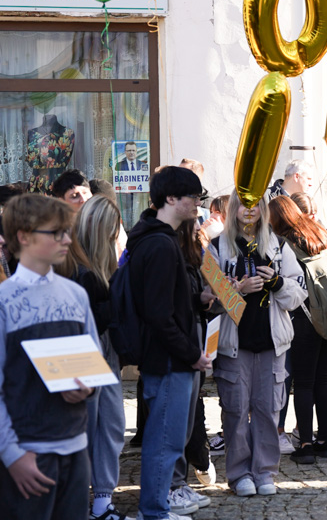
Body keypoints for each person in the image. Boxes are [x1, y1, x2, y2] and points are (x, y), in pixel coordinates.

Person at [0, 194, 96, 520]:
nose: (67, 240)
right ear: (24, 237)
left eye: (67, 231)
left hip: (75, 445)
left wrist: (87, 387)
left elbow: (91, 362)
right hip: (28, 453)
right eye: (56, 233)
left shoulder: (76, 294)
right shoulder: (4, 302)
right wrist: (12, 454)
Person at [127, 166, 212, 520]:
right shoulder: (160, 243)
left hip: (168, 358)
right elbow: (159, 315)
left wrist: (196, 298)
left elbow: (165, 303)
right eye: (193, 196)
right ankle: (155, 511)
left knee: (169, 438)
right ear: (172, 198)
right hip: (168, 360)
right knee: (165, 441)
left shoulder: (156, 237)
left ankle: (158, 507)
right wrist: (192, 355)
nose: (198, 204)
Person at [209, 191, 306, 496]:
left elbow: (298, 292)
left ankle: (264, 471)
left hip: (271, 342)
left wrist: (276, 283)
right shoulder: (217, 248)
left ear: (264, 209)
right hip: (233, 343)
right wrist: (238, 290)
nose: (249, 211)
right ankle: (239, 474)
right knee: (236, 410)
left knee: (267, 411)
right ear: (233, 208)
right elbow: (208, 299)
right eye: (243, 205)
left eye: (255, 205)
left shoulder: (277, 245)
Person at [56, 196, 128, 520]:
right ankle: (82, 502)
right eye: (114, 232)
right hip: (84, 350)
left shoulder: (100, 265)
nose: (117, 237)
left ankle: (101, 500)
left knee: (111, 423)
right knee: (88, 427)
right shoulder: (78, 266)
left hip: (104, 349)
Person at [270, 196, 327, 464]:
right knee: (323, 379)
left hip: (306, 318)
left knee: (303, 383)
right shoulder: (319, 233)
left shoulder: (285, 243)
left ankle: (306, 445)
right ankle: (326, 441)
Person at [168, 220, 218, 511]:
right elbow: (167, 308)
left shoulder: (197, 253)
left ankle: (179, 482)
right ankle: (170, 487)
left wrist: (209, 297)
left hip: (195, 340)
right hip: (179, 348)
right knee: (173, 424)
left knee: (187, 421)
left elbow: (212, 294)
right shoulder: (169, 250)